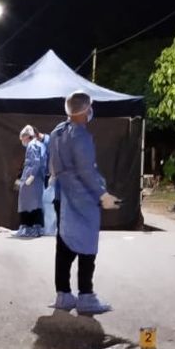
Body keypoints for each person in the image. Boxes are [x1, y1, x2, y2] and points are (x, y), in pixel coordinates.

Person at [48, 91, 120, 315]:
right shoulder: (81, 136)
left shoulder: (57, 132)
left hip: (62, 195)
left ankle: (63, 294)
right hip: (82, 197)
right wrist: (102, 194)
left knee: (64, 245)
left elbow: (54, 165)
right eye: (89, 107)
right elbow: (86, 171)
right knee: (87, 246)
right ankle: (86, 296)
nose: (90, 111)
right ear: (83, 110)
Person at [14, 125, 47, 238]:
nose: (22, 141)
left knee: (26, 204)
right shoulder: (40, 145)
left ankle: (27, 228)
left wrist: (31, 176)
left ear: (27, 137)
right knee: (37, 204)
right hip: (38, 180)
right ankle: (37, 228)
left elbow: (35, 161)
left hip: (30, 180)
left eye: (22, 138)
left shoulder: (32, 145)